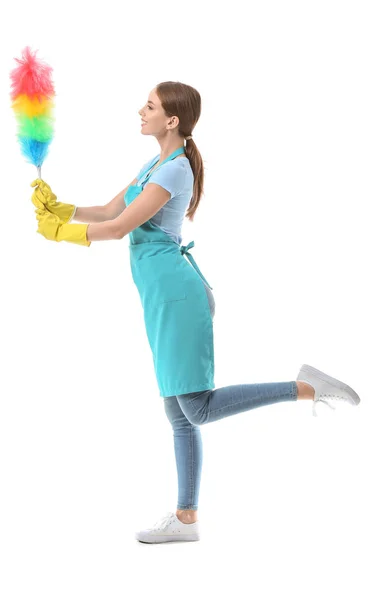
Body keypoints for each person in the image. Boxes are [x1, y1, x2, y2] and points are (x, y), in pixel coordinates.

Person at [30, 81, 361, 545]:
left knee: (197, 409)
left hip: (177, 296)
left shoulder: (177, 169)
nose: (139, 111)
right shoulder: (157, 163)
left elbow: (121, 227)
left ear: (172, 120)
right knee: (180, 414)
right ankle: (186, 520)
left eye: (149, 106)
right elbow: (108, 208)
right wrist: (59, 206)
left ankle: (307, 387)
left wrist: (59, 233)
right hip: (162, 296)